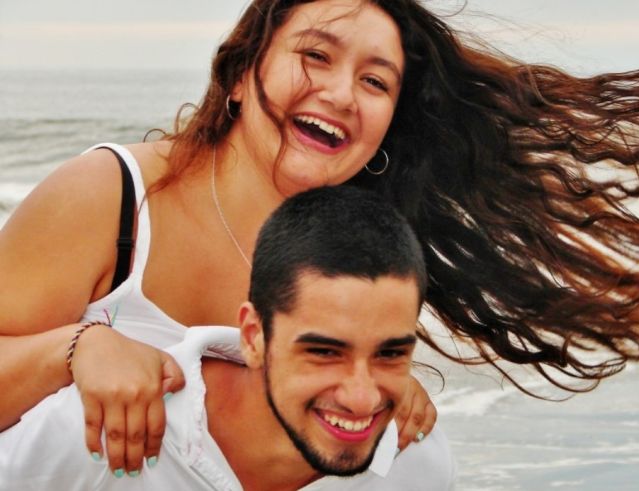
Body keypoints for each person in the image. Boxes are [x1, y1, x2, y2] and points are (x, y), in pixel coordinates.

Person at [0, 0, 639, 479]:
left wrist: (369, 392)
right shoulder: (116, 198)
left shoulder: (356, 247)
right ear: (238, 73)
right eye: (317, 55)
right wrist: (74, 350)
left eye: (376, 80)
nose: (339, 93)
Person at [0, 186, 455, 490]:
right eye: (324, 352)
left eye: (390, 354)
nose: (361, 397)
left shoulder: (415, 464)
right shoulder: (104, 432)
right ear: (254, 337)